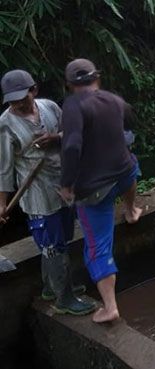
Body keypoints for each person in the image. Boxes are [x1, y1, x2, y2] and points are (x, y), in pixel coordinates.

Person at [0, 69, 95, 315]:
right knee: (53, 245)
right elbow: (4, 169)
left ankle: (52, 287)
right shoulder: (5, 126)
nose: (19, 103)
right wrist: (2, 203)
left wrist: (56, 138)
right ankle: (65, 299)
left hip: (63, 185)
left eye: (23, 96)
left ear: (34, 90)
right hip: (37, 194)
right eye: (13, 100)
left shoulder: (50, 107)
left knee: (62, 238)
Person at [58, 59, 142, 323]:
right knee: (132, 167)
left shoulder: (73, 106)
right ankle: (131, 210)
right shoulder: (114, 100)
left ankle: (109, 307)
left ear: (70, 84)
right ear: (99, 78)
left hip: (96, 190)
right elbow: (128, 126)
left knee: (97, 247)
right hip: (124, 173)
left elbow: (72, 146)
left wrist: (67, 184)